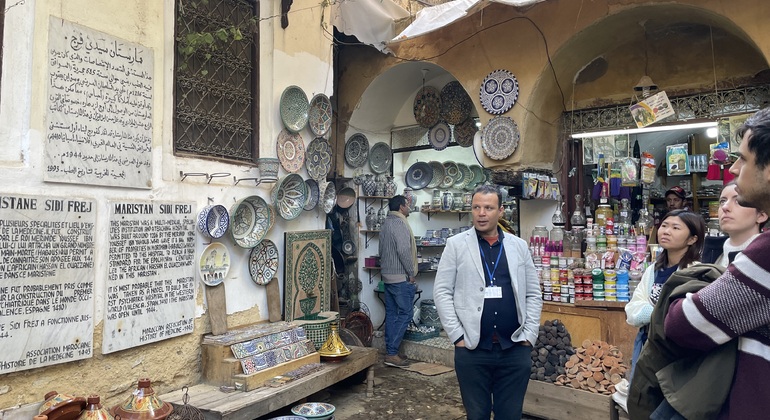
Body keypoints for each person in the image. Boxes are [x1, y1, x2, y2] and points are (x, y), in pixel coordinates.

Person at [663, 108, 770, 418]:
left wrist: (685, 291)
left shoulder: (764, 255)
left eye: (744, 159)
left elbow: (683, 325)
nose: (734, 169)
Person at [433, 184, 542, 420]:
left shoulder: (518, 247)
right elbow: (442, 291)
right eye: (477, 207)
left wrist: (529, 334)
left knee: (510, 415)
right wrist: (457, 336)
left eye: (489, 208)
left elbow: (533, 293)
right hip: (472, 349)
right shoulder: (456, 245)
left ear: (500, 211)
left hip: (514, 348)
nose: (482, 213)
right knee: (477, 415)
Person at [625, 209, 705, 380]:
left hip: (676, 352)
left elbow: (686, 316)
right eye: (664, 225)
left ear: (692, 239)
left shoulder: (695, 272)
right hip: (647, 344)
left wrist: (653, 311)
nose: (666, 231)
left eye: (676, 228)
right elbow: (632, 312)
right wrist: (661, 311)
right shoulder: (653, 271)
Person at [378, 195, 417, 368]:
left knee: (393, 314)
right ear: (402, 207)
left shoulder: (386, 223)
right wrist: (411, 272)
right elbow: (403, 250)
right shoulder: (400, 223)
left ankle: (391, 352)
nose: (409, 208)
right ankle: (392, 353)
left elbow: (380, 249)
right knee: (406, 313)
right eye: (407, 205)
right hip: (400, 276)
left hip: (387, 276)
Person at [701, 182, 767, 266]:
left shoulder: (765, 258)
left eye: (738, 201)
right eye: (722, 201)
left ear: (761, 215)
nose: (725, 207)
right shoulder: (711, 251)